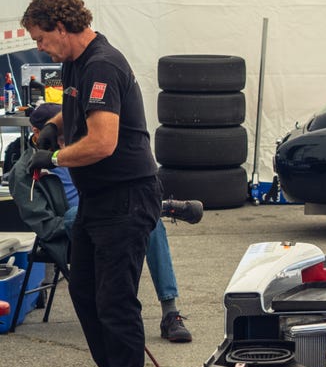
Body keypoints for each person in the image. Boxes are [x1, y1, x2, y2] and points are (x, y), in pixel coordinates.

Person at [21, 0, 161, 367]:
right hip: (99, 200)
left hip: (125, 197)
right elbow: (73, 109)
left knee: (115, 301)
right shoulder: (74, 63)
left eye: (42, 38)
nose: (40, 46)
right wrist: (51, 128)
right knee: (83, 292)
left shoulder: (102, 63)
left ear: (61, 26)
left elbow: (103, 142)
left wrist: (54, 160)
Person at [26, 103, 199, 343]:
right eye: (62, 135)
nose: (67, 139)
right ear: (39, 134)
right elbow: (43, 222)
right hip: (72, 223)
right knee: (95, 213)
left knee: (151, 224)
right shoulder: (27, 168)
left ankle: (170, 312)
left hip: (109, 212)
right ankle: (161, 208)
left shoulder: (83, 150)